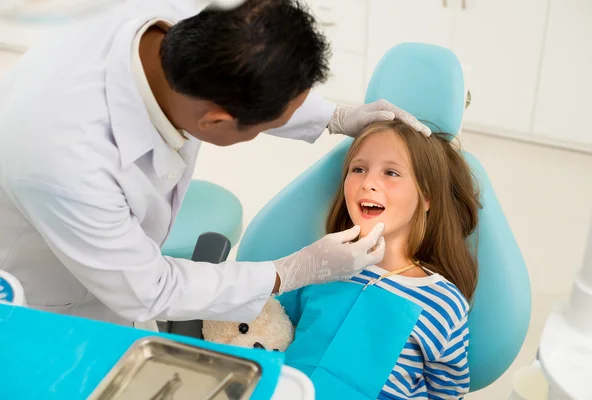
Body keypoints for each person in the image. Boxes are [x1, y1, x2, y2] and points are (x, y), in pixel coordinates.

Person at [0, 0, 431, 326]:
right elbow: (149, 289)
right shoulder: (64, 162)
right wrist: (294, 271)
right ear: (215, 121)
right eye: (267, 124)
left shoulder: (199, 20)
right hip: (43, 297)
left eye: (392, 173)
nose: (371, 184)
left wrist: (334, 117)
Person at [278, 121, 480, 399]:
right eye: (358, 169)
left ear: (426, 197)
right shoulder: (323, 264)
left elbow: (447, 393)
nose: (368, 183)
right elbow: (272, 329)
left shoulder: (442, 302)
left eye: (391, 172)